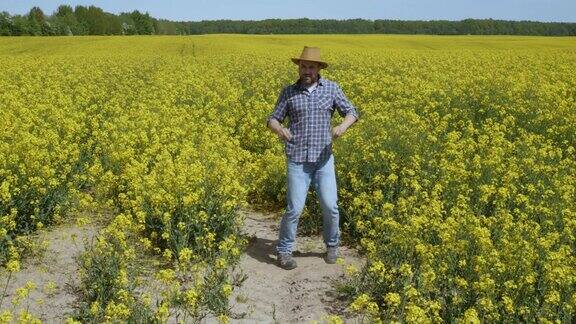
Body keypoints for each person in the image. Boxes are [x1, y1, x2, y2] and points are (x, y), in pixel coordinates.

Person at [266, 46, 360, 270]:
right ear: (299, 67)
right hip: (297, 159)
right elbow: (272, 119)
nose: (306, 70)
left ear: (318, 69)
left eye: (311, 66)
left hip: (324, 159)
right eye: (303, 66)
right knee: (294, 209)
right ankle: (284, 251)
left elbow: (352, 112)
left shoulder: (332, 89)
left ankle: (332, 246)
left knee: (330, 206)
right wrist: (279, 130)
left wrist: (342, 127)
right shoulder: (289, 92)